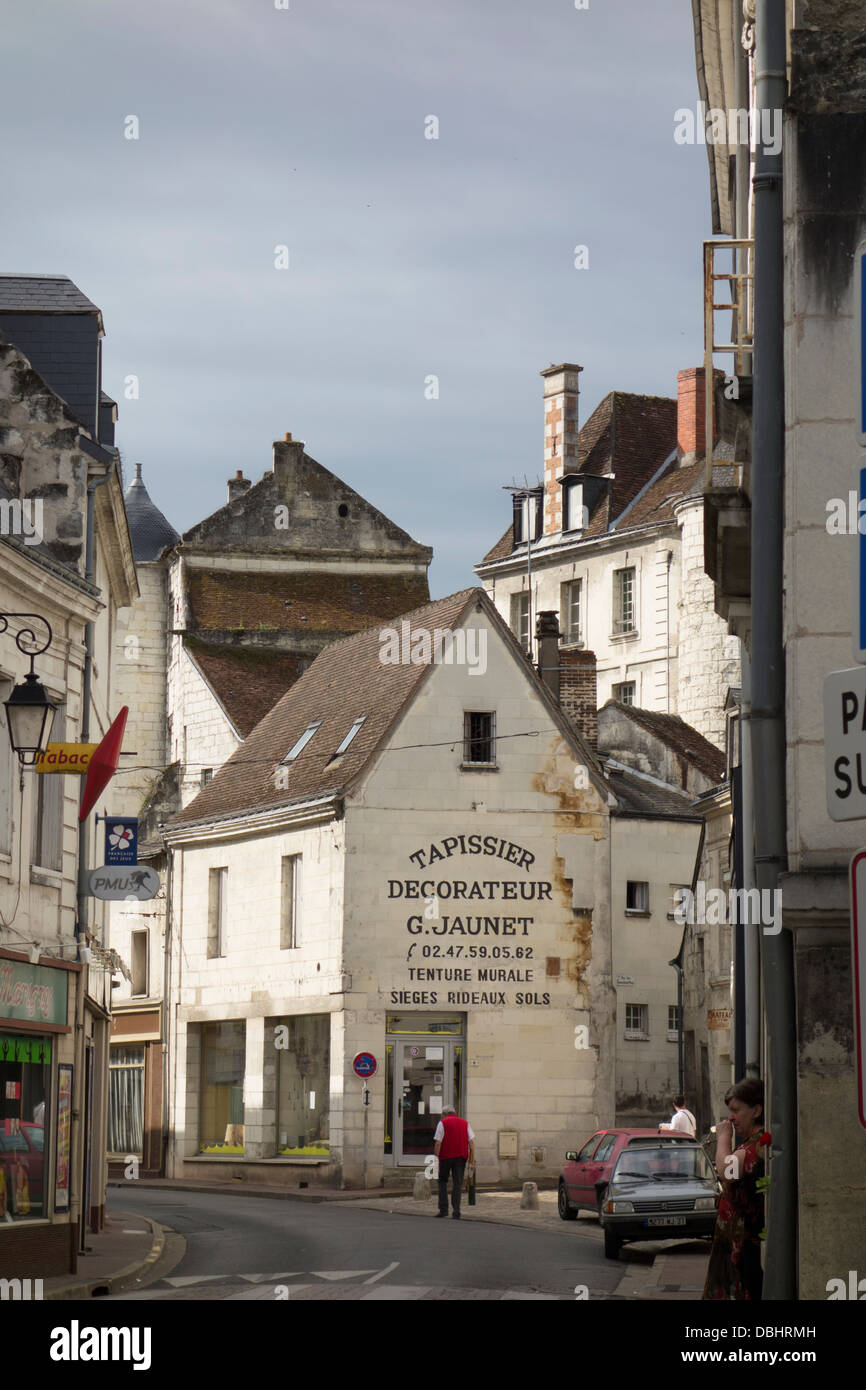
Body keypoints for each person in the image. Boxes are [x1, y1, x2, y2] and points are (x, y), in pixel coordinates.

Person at [702, 1078, 770, 1300]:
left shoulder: (759, 1143)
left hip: (745, 1248)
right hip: (734, 1243)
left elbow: (727, 1172)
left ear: (757, 1110)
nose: (731, 1117)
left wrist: (723, 1138)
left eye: (736, 1110)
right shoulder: (751, 1143)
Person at [432, 1105, 475, 1219]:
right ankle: (456, 1211)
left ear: (444, 1113)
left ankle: (443, 1209)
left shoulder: (443, 1123)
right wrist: (471, 1159)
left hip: (445, 1156)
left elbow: (438, 1142)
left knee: (442, 1181)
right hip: (461, 1157)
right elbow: (471, 1143)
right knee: (457, 1183)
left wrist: (436, 1158)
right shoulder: (465, 1123)